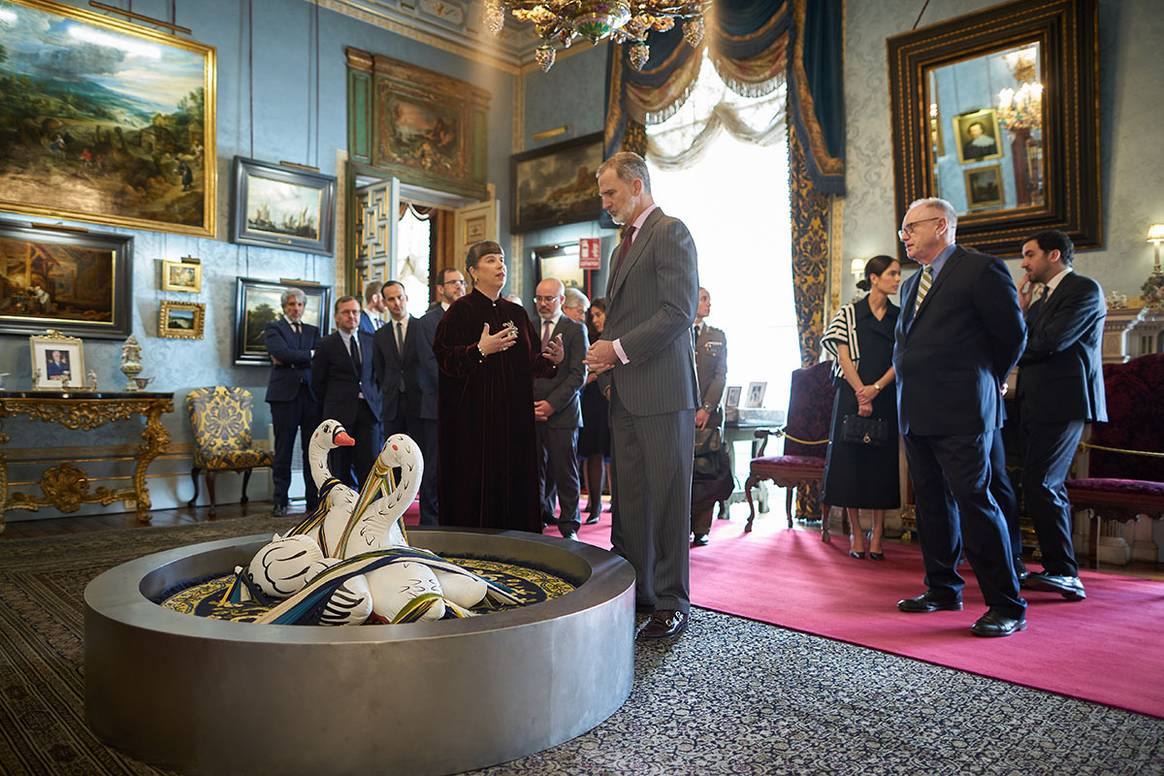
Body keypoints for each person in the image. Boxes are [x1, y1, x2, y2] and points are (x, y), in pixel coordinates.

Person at [893, 196, 1028, 638]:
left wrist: (987, 379)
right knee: (931, 503)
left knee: (975, 502)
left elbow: (1011, 334)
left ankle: (1007, 604)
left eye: (911, 227)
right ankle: (943, 588)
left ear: (942, 226)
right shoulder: (913, 283)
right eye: (904, 230)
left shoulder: (981, 269)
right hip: (917, 409)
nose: (905, 236)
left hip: (964, 408)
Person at [585, 151, 699, 641]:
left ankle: (673, 601)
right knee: (630, 501)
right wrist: (606, 360)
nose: (606, 202)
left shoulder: (671, 231)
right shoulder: (619, 248)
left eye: (611, 193)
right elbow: (620, 319)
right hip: (626, 393)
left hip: (664, 391)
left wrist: (617, 350)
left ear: (636, 186)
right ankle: (640, 593)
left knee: (670, 498)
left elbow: (678, 312)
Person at [433, 241, 564, 531]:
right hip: (473, 423)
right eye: (491, 260)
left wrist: (552, 361)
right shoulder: (458, 312)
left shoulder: (516, 313)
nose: (500, 266)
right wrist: (479, 350)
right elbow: (445, 359)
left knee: (515, 486)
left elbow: (530, 362)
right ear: (473, 272)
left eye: (502, 260)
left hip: (513, 420)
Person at [1016, 229, 1106, 601]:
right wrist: (1021, 310)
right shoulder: (1039, 301)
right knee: (1037, 483)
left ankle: (1067, 573)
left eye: (1029, 254)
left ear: (1054, 255)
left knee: (1043, 483)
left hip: (1065, 401)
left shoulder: (1083, 290)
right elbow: (1027, 340)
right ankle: (1057, 568)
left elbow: (1047, 343)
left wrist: (1021, 334)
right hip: (1036, 402)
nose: (1024, 263)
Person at [820, 256, 902, 559]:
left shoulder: (899, 315)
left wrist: (876, 389)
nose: (897, 279)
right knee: (850, 466)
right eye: (892, 274)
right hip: (850, 395)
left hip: (885, 394)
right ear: (874, 277)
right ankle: (855, 532)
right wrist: (861, 393)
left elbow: (900, 359)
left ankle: (877, 533)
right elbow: (843, 357)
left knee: (880, 467)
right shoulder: (849, 313)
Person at [532, 278, 589, 539]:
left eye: (549, 299)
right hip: (531, 412)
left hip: (563, 413)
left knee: (565, 473)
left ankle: (569, 525)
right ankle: (537, 518)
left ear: (562, 300)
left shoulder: (575, 330)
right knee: (534, 472)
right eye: (539, 298)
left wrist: (552, 404)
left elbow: (578, 374)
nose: (543, 304)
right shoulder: (529, 328)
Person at [311, 296, 382, 489]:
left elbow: (378, 376)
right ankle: (342, 513)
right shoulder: (326, 344)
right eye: (346, 312)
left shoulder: (372, 340)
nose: (351, 316)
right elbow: (317, 382)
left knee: (369, 465)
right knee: (340, 467)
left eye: (355, 312)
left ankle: (367, 513)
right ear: (336, 317)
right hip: (339, 414)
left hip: (369, 412)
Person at [414, 268, 466, 525]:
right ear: (440, 289)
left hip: (467, 406)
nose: (459, 286)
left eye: (462, 282)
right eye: (453, 282)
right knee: (434, 468)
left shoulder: (472, 317)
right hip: (438, 405)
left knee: (462, 466)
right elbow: (430, 364)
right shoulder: (427, 322)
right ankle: (431, 522)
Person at [265, 287, 322, 516]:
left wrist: (291, 357)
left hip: (310, 396)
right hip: (283, 397)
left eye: (299, 304)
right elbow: (280, 352)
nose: (296, 308)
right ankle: (280, 500)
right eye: (291, 304)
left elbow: (319, 356)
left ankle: (313, 500)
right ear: (284, 307)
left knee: (312, 451)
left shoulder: (313, 330)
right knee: (283, 450)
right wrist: (308, 355)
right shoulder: (273, 328)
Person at [690, 287, 728, 547]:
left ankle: (702, 528)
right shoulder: (676, 334)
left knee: (707, 472)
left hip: (709, 415)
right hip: (678, 413)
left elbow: (720, 375)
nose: (708, 304)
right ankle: (679, 526)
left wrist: (706, 408)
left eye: (709, 300)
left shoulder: (717, 336)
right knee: (682, 476)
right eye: (703, 299)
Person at [372, 281, 422, 442]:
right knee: (393, 454)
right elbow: (379, 369)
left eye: (400, 297)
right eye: (391, 299)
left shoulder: (421, 327)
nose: (397, 303)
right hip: (392, 404)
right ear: (385, 303)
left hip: (418, 401)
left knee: (420, 452)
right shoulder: (380, 334)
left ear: (406, 298)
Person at [578, 298, 611, 525]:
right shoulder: (589, 338)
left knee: (606, 451)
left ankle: (606, 503)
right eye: (593, 316)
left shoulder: (614, 339)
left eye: (599, 314)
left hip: (607, 400)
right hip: (590, 401)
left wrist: (597, 374)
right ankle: (593, 503)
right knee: (592, 452)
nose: (595, 319)